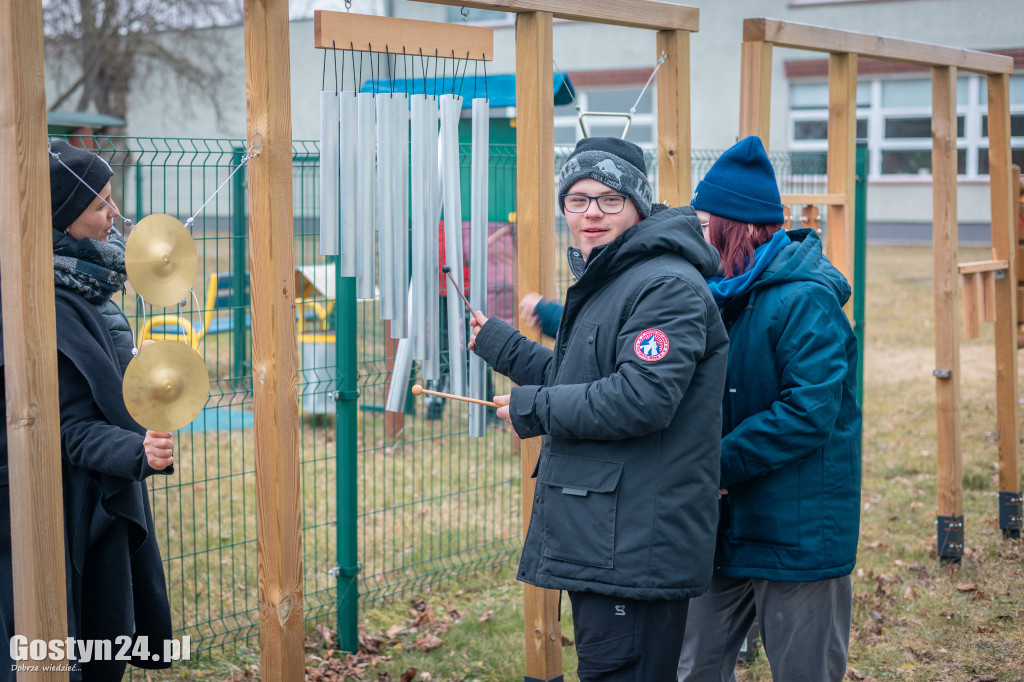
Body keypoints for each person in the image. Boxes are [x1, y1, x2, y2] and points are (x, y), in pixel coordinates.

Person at [468, 137, 729, 680]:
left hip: (635, 541)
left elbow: (640, 398)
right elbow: (584, 380)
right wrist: (504, 346)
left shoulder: (664, 286)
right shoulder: (612, 277)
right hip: (607, 534)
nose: (591, 212)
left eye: (610, 199)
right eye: (578, 199)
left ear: (639, 205)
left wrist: (532, 408)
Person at [676, 136, 862, 682]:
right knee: (693, 668)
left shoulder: (805, 298)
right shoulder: (716, 293)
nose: (698, 231)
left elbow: (808, 412)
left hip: (798, 531)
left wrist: (715, 466)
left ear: (735, 226)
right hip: (721, 529)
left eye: (705, 219)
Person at [0, 140, 175, 681]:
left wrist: (144, 380)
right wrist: (138, 450)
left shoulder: (83, 280)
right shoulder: (42, 306)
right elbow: (66, 428)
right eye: (101, 204)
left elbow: (100, 388)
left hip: (90, 499)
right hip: (59, 513)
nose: (115, 214)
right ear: (65, 216)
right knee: (55, 654)